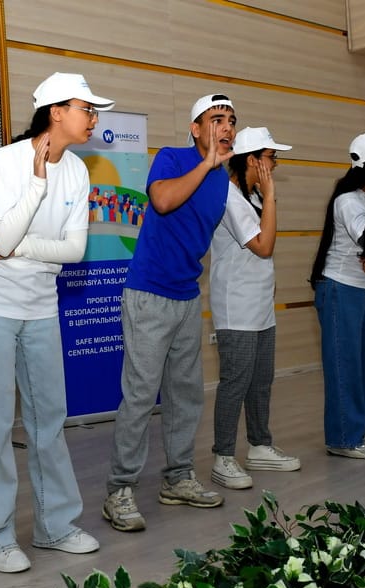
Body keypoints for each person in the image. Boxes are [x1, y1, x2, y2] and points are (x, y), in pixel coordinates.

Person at [0, 72, 114, 573]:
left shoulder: (79, 170)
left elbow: (71, 251)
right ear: (55, 112)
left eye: (93, 110)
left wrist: (25, 250)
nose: (93, 118)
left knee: (49, 417)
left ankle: (54, 526)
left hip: (41, 304)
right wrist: (36, 183)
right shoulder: (8, 161)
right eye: (85, 108)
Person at [103, 94, 235, 532]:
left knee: (185, 392)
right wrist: (206, 165)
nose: (227, 127)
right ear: (196, 128)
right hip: (148, 293)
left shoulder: (224, 177)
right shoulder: (173, 158)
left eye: (231, 120)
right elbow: (161, 201)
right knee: (141, 394)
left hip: (186, 295)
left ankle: (178, 477)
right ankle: (119, 490)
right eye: (217, 119)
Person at [209, 127, 301, 490]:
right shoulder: (230, 197)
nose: (274, 164)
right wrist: (273, 194)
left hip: (261, 304)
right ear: (252, 161)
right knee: (235, 382)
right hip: (237, 307)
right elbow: (263, 246)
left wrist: (268, 197)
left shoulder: (255, 199)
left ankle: (260, 445)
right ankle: (223, 456)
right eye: (270, 158)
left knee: (261, 380)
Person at [309, 131, 365, 459]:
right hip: (338, 290)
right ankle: (343, 437)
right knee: (343, 364)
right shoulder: (347, 200)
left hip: (361, 291)